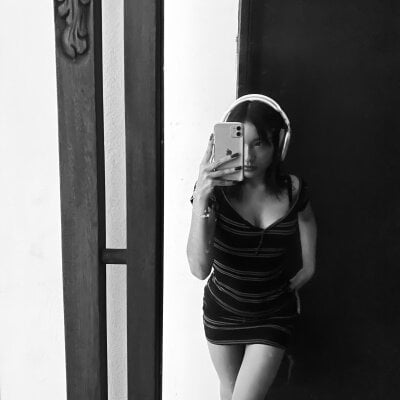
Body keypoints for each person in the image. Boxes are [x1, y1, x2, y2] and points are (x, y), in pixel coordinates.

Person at [186, 94, 317, 400]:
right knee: (230, 390)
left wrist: (309, 265)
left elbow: (307, 219)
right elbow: (199, 269)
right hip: (223, 310)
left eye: (259, 143)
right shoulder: (215, 195)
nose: (247, 155)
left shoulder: (293, 189)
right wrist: (202, 198)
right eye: (239, 142)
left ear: (279, 144)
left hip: (273, 312)